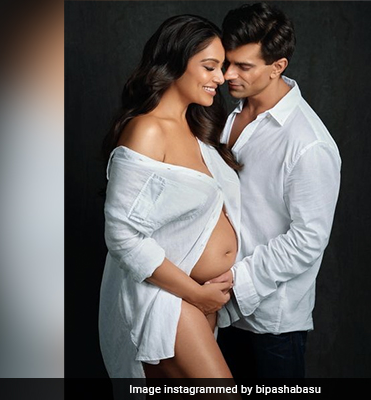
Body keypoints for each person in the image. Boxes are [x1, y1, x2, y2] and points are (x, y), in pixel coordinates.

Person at [98, 14, 243, 382]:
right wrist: (195, 293)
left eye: (221, 67)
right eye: (210, 66)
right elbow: (121, 235)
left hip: (198, 300)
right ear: (176, 62)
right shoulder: (147, 129)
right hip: (166, 301)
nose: (221, 78)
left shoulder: (198, 130)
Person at [210, 3, 342, 378]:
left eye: (243, 66)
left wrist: (237, 281)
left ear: (277, 66)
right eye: (226, 62)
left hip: (271, 325)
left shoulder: (308, 144)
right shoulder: (229, 114)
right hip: (216, 310)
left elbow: (309, 238)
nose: (227, 74)